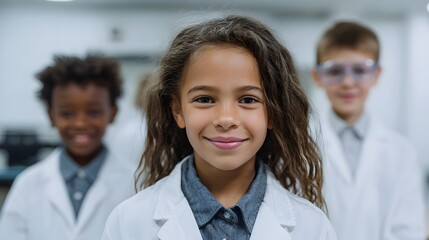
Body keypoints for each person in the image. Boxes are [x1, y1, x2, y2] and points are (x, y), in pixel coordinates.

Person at [102, 15, 337, 240]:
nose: (226, 119)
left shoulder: (312, 227)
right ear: (178, 111)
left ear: (273, 113)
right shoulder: (129, 222)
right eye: (205, 99)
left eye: (248, 100)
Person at [311, 21, 426, 239]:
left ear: (375, 75)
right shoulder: (300, 146)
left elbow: (409, 230)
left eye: (360, 70)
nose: (347, 82)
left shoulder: (402, 153)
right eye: (334, 71)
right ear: (318, 77)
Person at [0, 55, 135, 240]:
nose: (80, 123)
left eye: (93, 112)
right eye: (67, 114)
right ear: (51, 116)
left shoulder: (137, 182)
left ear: (112, 113)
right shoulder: (27, 185)